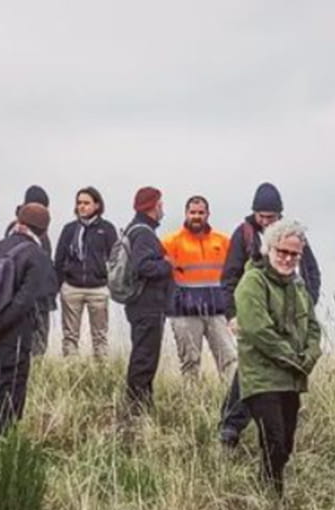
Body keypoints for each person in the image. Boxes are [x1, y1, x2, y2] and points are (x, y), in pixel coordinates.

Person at [219, 182, 322, 446]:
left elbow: (311, 274)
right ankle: (231, 427)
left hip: (289, 313)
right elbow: (229, 277)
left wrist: (306, 308)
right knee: (252, 367)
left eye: (271, 217)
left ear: (280, 215)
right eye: (261, 216)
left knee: (279, 370)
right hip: (253, 311)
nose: (265, 221)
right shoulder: (242, 234)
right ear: (254, 213)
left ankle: (277, 434)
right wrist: (232, 314)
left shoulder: (293, 237)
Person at [234, 219, 322, 495]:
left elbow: (313, 328)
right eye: (281, 251)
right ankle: (272, 499)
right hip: (261, 379)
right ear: (268, 249)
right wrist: (296, 359)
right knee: (274, 441)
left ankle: (267, 490)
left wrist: (309, 355)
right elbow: (259, 330)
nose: (287, 258)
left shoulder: (297, 286)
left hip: (291, 380)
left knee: (285, 445)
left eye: (293, 254)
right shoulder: (252, 282)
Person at [0, 202, 57, 439]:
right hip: (12, 341)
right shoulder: (37, 256)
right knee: (8, 405)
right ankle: (2, 460)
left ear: (19, 222)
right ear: (44, 231)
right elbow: (25, 302)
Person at [163, 195, 238, 382]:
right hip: (185, 313)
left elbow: (234, 273)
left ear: (208, 214)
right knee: (190, 363)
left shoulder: (223, 242)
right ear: (186, 213)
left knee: (229, 360)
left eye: (201, 212)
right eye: (193, 212)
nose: (196, 216)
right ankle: (191, 405)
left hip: (217, 312)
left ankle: (234, 404)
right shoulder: (170, 242)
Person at [120, 187, 174, 413]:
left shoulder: (136, 229)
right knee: (145, 357)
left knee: (143, 354)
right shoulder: (143, 233)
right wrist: (167, 264)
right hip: (147, 305)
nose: (162, 208)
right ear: (153, 206)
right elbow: (142, 266)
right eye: (160, 204)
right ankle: (138, 406)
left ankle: (141, 403)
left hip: (142, 304)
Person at [54, 187, 119, 359]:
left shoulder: (107, 229)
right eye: (79, 203)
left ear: (96, 205)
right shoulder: (69, 229)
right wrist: (58, 286)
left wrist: (110, 283)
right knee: (69, 337)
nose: (82, 206)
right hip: (71, 287)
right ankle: (70, 375)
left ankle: (101, 376)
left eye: (86, 203)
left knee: (100, 338)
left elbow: (116, 260)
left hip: (98, 288)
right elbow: (59, 259)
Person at [6, 186, 58, 355]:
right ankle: (32, 376)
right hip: (32, 296)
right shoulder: (23, 232)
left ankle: (33, 375)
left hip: (33, 295)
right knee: (33, 343)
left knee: (35, 343)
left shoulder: (15, 230)